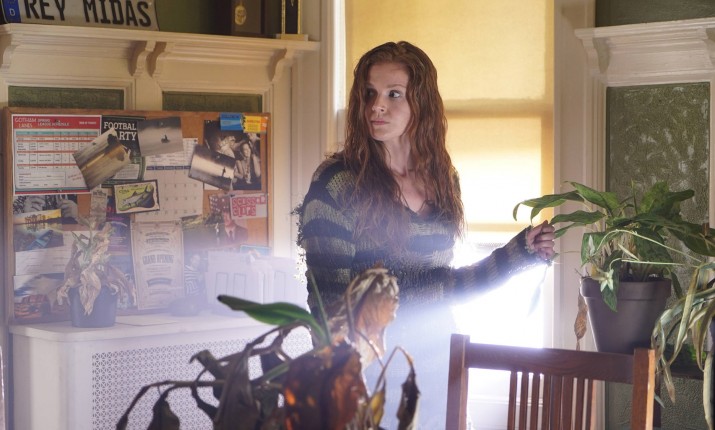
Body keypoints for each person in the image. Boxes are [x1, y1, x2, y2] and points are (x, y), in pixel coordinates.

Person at [294, 41, 556, 429]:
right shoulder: (337, 183)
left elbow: (443, 287)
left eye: (393, 94)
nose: (376, 106)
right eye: (369, 93)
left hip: (439, 373)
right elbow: (328, 310)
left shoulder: (443, 180)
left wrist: (519, 252)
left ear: (422, 102)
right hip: (371, 385)